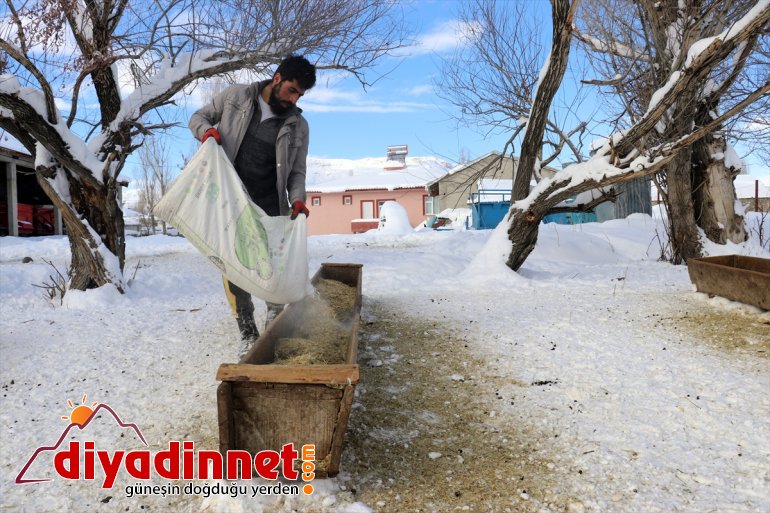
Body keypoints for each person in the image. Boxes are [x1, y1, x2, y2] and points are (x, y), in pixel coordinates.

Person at [189, 54, 316, 349]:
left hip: (271, 203)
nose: (294, 99)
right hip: (230, 199)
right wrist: (206, 133)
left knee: (273, 263)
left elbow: (297, 171)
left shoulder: (299, 125)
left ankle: (274, 319)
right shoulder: (236, 98)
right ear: (277, 78)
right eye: (292, 90)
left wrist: (297, 200)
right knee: (233, 265)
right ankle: (247, 331)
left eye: (300, 94)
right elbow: (198, 117)